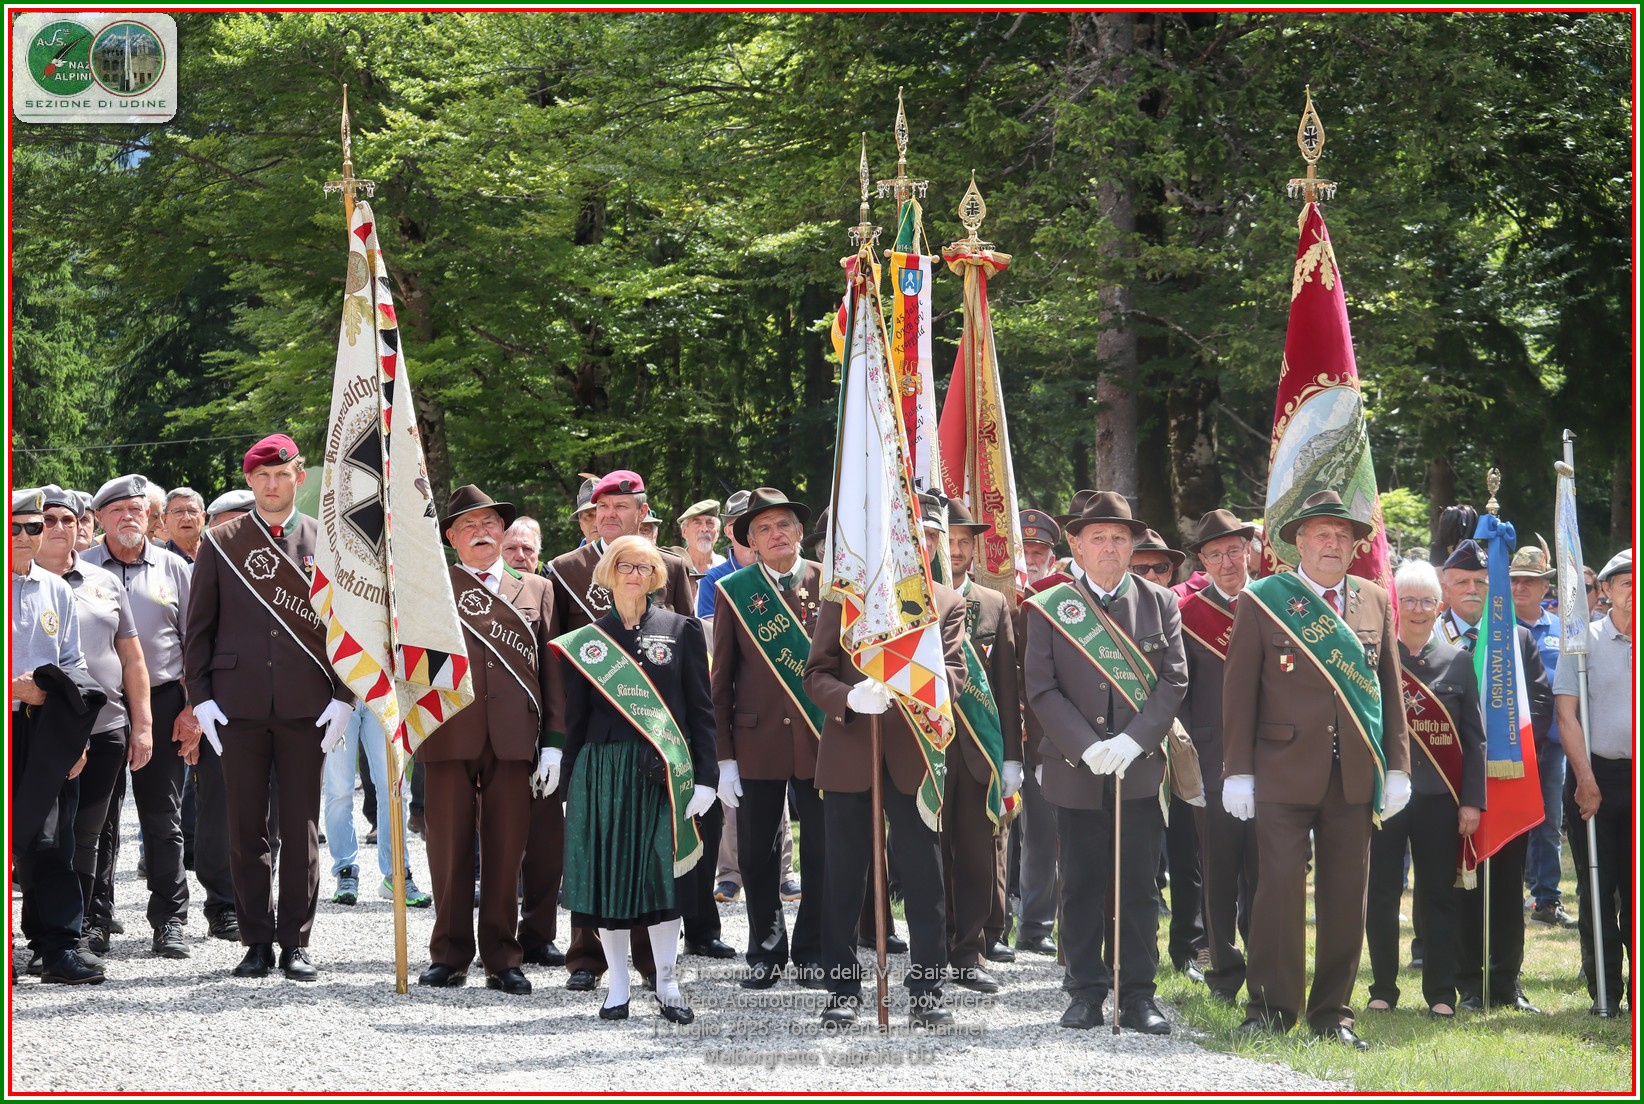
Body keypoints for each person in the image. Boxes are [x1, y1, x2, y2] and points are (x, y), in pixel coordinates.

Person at [1222, 489, 1410, 1051]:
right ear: (1298, 543)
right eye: (1321, 534)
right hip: (1281, 770)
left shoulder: (1375, 600)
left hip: (1353, 774)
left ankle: (1333, 1014)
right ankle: (1271, 1009)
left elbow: (1390, 690)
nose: (1332, 544)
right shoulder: (1263, 600)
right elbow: (1239, 693)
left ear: (1354, 547)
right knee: (1278, 893)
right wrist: (1237, 771)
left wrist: (1398, 767)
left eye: (1342, 536)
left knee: (1346, 896)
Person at [183, 434, 354, 981]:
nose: (272, 484)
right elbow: (199, 628)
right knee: (245, 828)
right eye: (262, 476)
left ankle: (295, 943)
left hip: (309, 705)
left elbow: (350, 628)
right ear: (250, 481)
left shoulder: (329, 541)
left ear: (299, 477)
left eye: (282, 474)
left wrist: (345, 697)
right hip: (238, 706)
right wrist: (200, 698)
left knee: (301, 828)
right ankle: (255, 940)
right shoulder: (221, 541)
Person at [1024, 491, 1187, 1034]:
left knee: (1139, 886)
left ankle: (1137, 994)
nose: (1110, 547)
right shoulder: (1050, 605)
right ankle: (1086, 991)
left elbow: (1173, 682)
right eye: (1098, 538)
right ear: (1076, 545)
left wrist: (1135, 741)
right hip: (1077, 770)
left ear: (1132, 545)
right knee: (1080, 883)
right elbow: (1040, 688)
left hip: (1138, 769)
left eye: (1120, 537)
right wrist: (1085, 745)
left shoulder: (1160, 604)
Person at [803, 493, 968, 1029]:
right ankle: (842, 990)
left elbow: (954, 675)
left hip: (913, 752)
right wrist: (849, 698)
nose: (917, 542)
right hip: (850, 747)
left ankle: (927, 989)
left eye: (927, 536)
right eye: (909, 532)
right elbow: (816, 674)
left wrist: (909, 694)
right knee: (843, 877)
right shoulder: (845, 597)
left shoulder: (946, 602)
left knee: (923, 876)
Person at [538, 469, 701, 990]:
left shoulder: (670, 566)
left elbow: (690, 658)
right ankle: (590, 960)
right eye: (601, 509)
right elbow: (561, 672)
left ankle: (655, 966)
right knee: (599, 852)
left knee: (654, 860)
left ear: (641, 512)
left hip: (656, 742)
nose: (609, 515)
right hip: (599, 742)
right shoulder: (564, 569)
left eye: (621, 507)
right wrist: (559, 748)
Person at [553, 536, 719, 1023]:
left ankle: (667, 982)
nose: (634, 574)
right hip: (602, 774)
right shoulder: (588, 641)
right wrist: (570, 786)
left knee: (665, 881)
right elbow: (576, 720)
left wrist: (706, 777)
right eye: (625, 566)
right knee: (611, 882)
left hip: (665, 772)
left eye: (645, 567)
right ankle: (618, 985)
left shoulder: (682, 629)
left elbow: (702, 711)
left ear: (656, 576)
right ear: (608, 572)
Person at [415, 486, 554, 995]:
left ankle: (502, 957)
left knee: (506, 849)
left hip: (515, 735)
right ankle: (449, 954)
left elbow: (552, 672)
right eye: (468, 526)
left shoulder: (537, 589)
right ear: (450, 537)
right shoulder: (428, 586)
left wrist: (554, 741)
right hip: (447, 727)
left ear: (504, 531)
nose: (481, 533)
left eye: (490, 523)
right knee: (448, 849)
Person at [709, 488, 827, 991]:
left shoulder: (831, 583)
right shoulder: (734, 590)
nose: (776, 534)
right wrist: (724, 758)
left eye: (783, 525)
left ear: (800, 532)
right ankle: (765, 949)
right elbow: (721, 681)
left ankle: (814, 949)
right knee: (757, 853)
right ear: (750, 542)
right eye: (763, 528)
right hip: (755, 741)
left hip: (822, 738)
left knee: (823, 850)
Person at [34, 487, 155, 962]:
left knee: (88, 833)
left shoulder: (104, 581)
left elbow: (132, 658)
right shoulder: (19, 579)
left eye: (69, 519)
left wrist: (142, 725)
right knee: (43, 835)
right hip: (40, 730)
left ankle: (78, 931)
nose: (59, 528)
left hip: (105, 727)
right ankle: (43, 934)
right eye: (47, 520)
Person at [81, 474, 197, 957]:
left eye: (136, 509)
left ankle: (170, 919)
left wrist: (192, 708)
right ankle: (94, 920)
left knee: (162, 814)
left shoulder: (175, 567)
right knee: (97, 817)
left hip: (165, 700)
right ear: (100, 519)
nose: (128, 517)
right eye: (117, 510)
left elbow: (197, 642)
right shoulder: (81, 568)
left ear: (150, 517)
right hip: (102, 704)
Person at [1365, 559, 1486, 1018]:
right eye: (1409, 600)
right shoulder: (1377, 661)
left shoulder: (1458, 663)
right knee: (1382, 895)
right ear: (1396, 606)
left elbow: (1474, 740)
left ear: (1440, 606)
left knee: (1437, 896)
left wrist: (1472, 801)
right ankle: (1382, 988)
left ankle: (1440, 993)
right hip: (1386, 798)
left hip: (1440, 801)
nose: (1417, 609)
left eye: (1427, 601)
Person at [1437, 539, 1552, 1014]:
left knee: (1505, 887)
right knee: (1460, 886)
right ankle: (1466, 982)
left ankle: (1506, 982)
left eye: (1482, 582)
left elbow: (1539, 704)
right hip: (1447, 782)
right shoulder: (1429, 636)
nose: (1473, 589)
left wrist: (1505, 749)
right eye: (1463, 581)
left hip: (1504, 782)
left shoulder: (1517, 638)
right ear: (1445, 585)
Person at [12, 488, 104, 985]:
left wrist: (78, 740)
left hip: (44, 728)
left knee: (50, 841)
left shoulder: (56, 590)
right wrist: (14, 687)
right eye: (15, 527)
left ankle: (58, 948)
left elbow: (74, 664)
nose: (26, 536)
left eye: (35, 527)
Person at [1177, 508, 1260, 1005]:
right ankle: (1223, 972)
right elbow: (1179, 692)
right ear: (1203, 562)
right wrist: (1194, 755)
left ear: (1248, 551)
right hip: (1211, 761)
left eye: (1233, 550)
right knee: (1219, 870)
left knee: (1266, 870)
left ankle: (1266, 964)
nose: (1227, 562)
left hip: (1271, 758)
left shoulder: (1273, 603)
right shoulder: (1187, 614)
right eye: (1215, 555)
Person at [939, 499, 1022, 992]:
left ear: (973, 549)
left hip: (977, 754)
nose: (954, 550)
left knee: (975, 856)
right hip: (925, 751)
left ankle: (968, 952)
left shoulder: (993, 604)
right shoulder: (911, 601)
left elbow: (1007, 689)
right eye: (946, 540)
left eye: (962, 542)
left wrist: (1011, 757)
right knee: (929, 857)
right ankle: (932, 950)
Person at [1555, 548, 1632, 1017]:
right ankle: (1605, 990)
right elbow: (1566, 714)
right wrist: (1585, 780)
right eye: (1626, 583)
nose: (1634, 591)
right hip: (1594, 778)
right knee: (1597, 890)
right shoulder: (1582, 639)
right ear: (1605, 590)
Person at [1131, 527, 1205, 981]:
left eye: (1161, 567)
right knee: (1136, 861)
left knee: (1186, 855)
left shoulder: (1185, 614)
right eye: (1141, 567)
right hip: (1130, 750)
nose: (1153, 575)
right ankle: (1135, 953)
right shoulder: (1108, 616)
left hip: (1181, 749)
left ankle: (1187, 950)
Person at [1508, 544, 1576, 929]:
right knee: (1508, 821)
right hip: (1506, 744)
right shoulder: (1496, 630)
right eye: (1515, 580)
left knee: (1549, 823)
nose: (1520, 587)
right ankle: (1505, 895)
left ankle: (1547, 899)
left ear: (1545, 587)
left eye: (1529, 581)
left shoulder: (1561, 632)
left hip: (1550, 745)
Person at [1010, 508, 1062, 957]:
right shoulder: (999, 596)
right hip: (1009, 728)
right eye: (1024, 550)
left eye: (1039, 551)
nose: (1031, 558)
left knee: (1046, 833)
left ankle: (1037, 924)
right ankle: (998, 923)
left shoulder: (1061, 600)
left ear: (1052, 557)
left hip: (1051, 733)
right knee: (1004, 834)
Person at [673, 499, 724, 579]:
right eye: (697, 523)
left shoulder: (724, 566)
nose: (704, 529)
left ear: (717, 532)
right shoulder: (675, 567)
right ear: (684, 532)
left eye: (710, 523)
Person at [161, 488, 206, 564]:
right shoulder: (161, 560)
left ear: (203, 518)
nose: (186, 518)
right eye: (178, 512)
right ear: (165, 520)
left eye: (192, 511)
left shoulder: (218, 551)